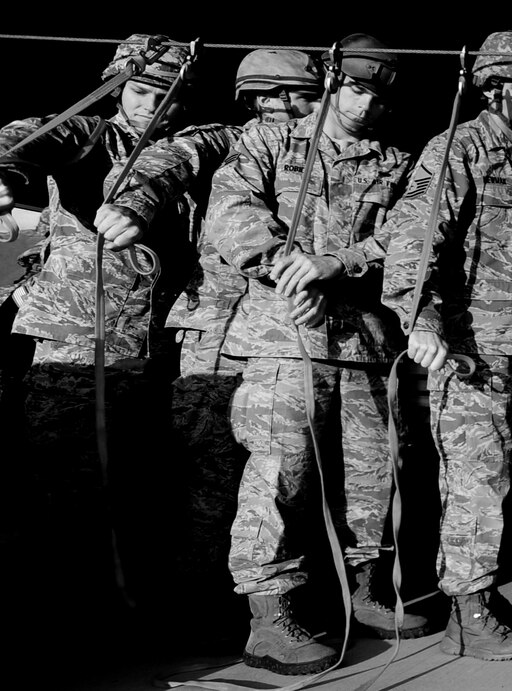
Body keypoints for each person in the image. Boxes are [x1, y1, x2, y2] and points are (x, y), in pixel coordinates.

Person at [206, 34, 420, 675]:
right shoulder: (271, 142)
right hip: (281, 337)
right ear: (331, 80)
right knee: (278, 475)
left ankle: (365, 590)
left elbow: (410, 233)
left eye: (377, 94)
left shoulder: (399, 162)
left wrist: (338, 265)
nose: (364, 104)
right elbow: (232, 210)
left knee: (373, 473)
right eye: (354, 87)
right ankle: (271, 617)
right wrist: (289, 270)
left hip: (359, 343)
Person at [94, 47, 323, 637]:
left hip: (312, 335)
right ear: (248, 100)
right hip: (218, 333)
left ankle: (292, 594)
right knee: (210, 465)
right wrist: (134, 205)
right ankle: (200, 608)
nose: (281, 107)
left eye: (295, 95)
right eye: (266, 96)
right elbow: (169, 161)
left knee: (296, 471)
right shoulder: (225, 142)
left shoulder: (345, 151)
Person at [381, 29, 512, 662]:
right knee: (475, 479)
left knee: (508, 479)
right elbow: (413, 237)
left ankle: (480, 592)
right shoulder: (459, 147)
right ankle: (470, 609)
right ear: (492, 88)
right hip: (471, 349)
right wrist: (420, 319)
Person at [1, 36, 193, 604]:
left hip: (160, 347)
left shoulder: (190, 150)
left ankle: (129, 605)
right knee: (65, 485)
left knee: (142, 485)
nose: (148, 104)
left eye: (165, 94)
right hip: (75, 345)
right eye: (138, 90)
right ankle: (69, 613)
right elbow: (27, 136)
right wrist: (4, 171)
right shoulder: (90, 136)